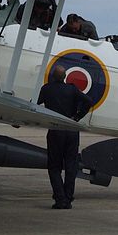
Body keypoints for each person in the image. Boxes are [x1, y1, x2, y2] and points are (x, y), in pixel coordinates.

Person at [37, 65, 93, 209]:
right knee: (70, 165)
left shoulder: (46, 89)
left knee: (54, 166)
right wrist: (77, 116)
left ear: (53, 76)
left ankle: (60, 198)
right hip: (71, 130)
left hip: (56, 130)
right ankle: (68, 198)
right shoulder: (72, 89)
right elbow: (88, 101)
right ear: (65, 77)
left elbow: (36, 104)